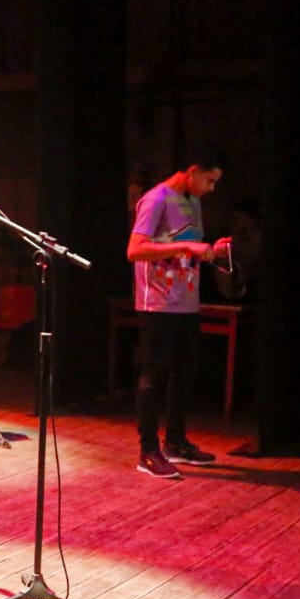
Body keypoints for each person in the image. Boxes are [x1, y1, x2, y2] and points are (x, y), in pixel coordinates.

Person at [126, 148, 232, 480]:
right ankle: (148, 451)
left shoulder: (192, 201)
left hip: (186, 300)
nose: (211, 188)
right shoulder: (155, 199)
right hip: (157, 303)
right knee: (153, 375)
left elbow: (185, 245)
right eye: (209, 180)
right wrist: (187, 247)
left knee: (184, 373)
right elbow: (135, 250)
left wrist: (210, 250)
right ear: (193, 170)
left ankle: (175, 442)